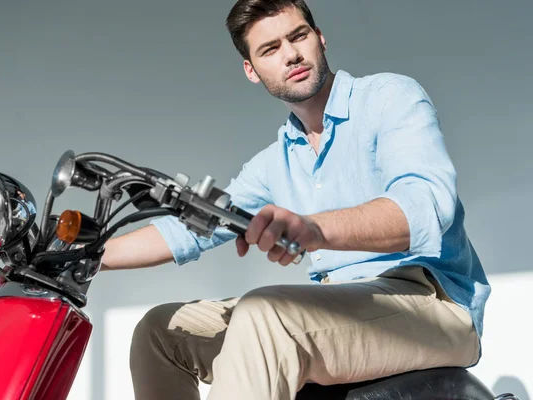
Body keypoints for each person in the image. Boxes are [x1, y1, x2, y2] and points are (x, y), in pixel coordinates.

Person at [100, 1, 491, 399]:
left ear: (319, 38)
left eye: (298, 36)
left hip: (434, 304)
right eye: (269, 49)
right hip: (342, 305)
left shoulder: (390, 98)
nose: (291, 55)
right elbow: (190, 230)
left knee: (265, 313)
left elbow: (425, 208)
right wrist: (84, 254)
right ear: (252, 70)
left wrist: (315, 228)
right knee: (160, 330)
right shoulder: (275, 162)